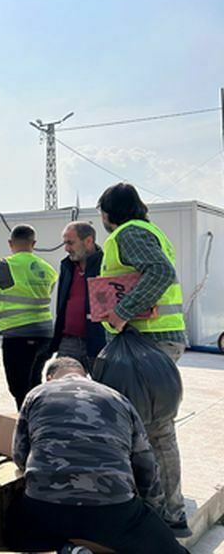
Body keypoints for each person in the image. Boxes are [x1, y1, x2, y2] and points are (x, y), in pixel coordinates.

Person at [5, 357, 188, 554]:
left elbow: (20, 454)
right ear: (86, 376)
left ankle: (67, 549)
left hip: (46, 507)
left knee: (14, 531)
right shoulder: (118, 399)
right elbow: (146, 466)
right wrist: (152, 514)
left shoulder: (36, 394)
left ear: (50, 378)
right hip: (112, 510)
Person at [96, 182, 190, 537]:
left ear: (108, 214)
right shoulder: (149, 231)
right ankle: (160, 507)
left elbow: (160, 273)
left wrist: (121, 311)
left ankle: (168, 513)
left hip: (147, 343)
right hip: (154, 343)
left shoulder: (128, 233)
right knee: (149, 428)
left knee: (155, 430)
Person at [0, 224, 57, 409]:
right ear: (34, 243)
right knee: (34, 382)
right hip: (45, 334)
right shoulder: (48, 269)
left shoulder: (7, 265)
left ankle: (26, 425)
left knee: (19, 387)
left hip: (19, 335)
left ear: (10, 243)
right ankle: (37, 419)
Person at [49, 222, 105, 372]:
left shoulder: (106, 264)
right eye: (65, 243)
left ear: (88, 241)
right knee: (61, 389)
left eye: (70, 243)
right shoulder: (66, 266)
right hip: (69, 342)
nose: (66, 248)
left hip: (100, 342)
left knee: (104, 390)